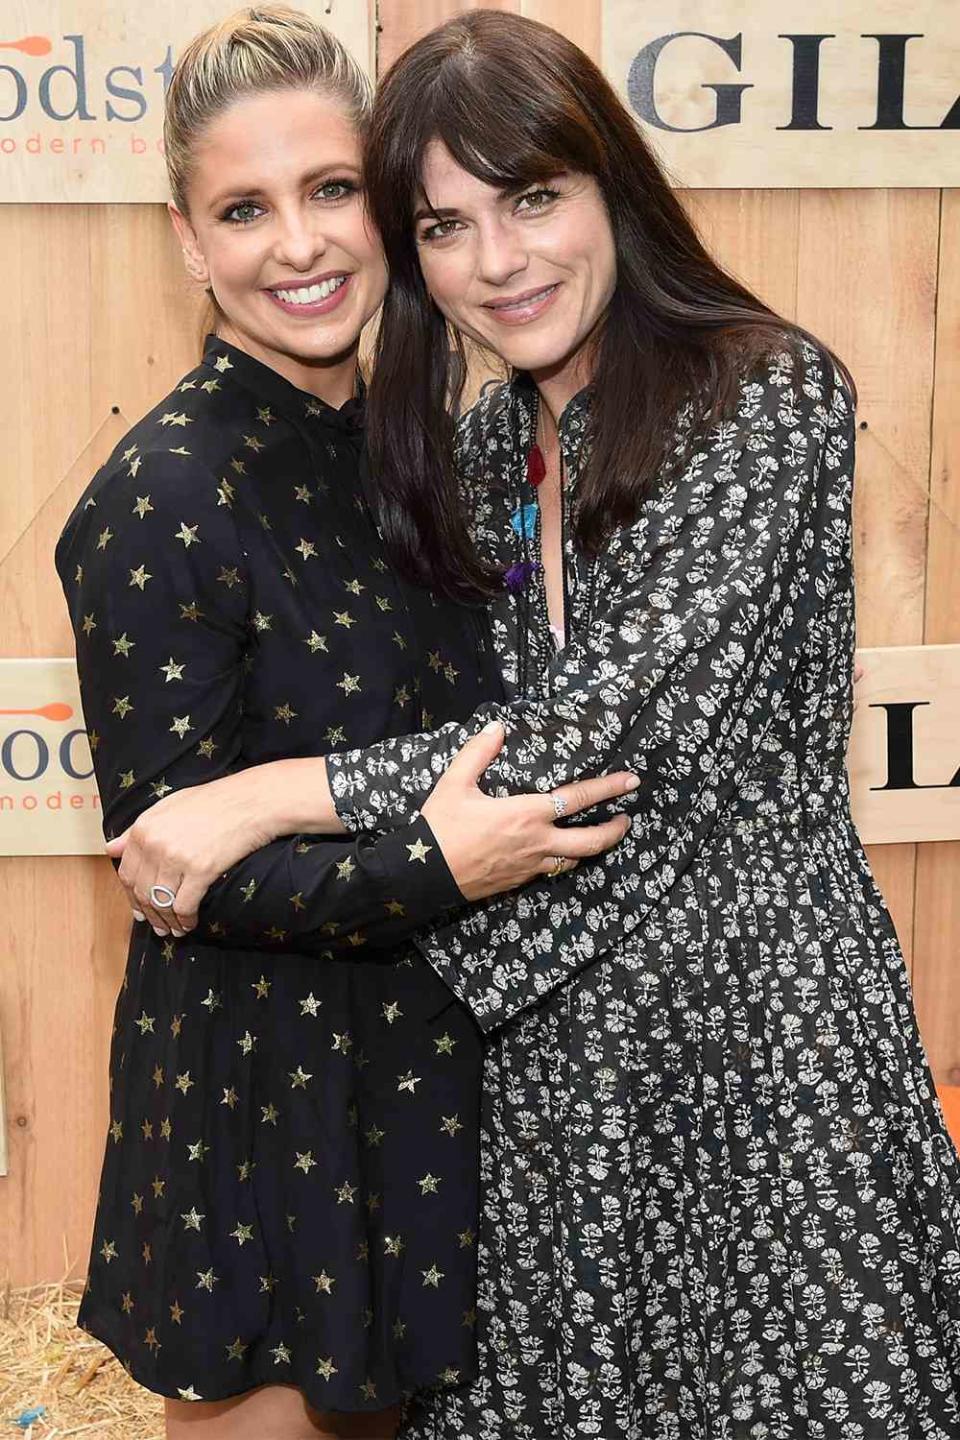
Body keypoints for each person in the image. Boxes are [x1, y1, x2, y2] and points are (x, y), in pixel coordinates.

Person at [105, 10, 960, 1440]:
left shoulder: (763, 396)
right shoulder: (487, 445)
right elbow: (482, 727)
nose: (498, 261)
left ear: (611, 185)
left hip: (762, 1031)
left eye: (534, 198)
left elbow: (582, 735)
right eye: (445, 224)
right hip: (553, 1052)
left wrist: (264, 795)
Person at [54, 10, 634, 1439]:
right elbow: (187, 871)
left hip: (435, 1083)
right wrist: (446, 865)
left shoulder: (422, 440)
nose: (299, 245)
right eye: (244, 209)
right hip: (270, 1103)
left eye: (328, 191)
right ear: (188, 241)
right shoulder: (163, 495)